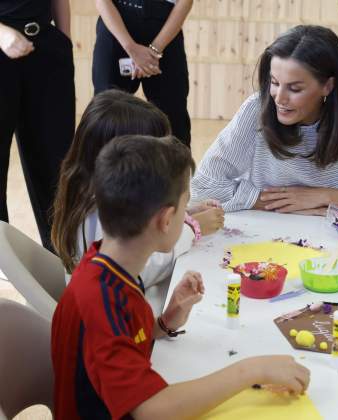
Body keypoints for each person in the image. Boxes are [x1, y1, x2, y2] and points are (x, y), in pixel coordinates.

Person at [51, 134, 310, 419]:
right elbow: (152, 410)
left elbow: (116, 342)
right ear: (165, 220)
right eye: (185, 207)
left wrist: (163, 323)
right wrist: (252, 369)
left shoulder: (108, 262)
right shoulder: (100, 299)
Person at [191, 25, 338, 217]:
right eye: (274, 82)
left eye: (295, 88)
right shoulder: (256, 109)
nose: (279, 98)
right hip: (263, 231)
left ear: (327, 86)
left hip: (331, 239)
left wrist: (323, 196)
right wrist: (271, 202)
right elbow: (203, 185)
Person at [51, 90, 223, 313]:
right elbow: (139, 271)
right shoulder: (96, 214)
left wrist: (183, 212)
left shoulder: (94, 189)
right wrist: (191, 227)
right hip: (121, 312)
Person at [0, 0, 75, 251]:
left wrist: (64, 41)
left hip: (46, 48)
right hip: (2, 42)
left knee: (57, 164)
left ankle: (61, 259)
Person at [92, 0, 192, 146]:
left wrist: (154, 51)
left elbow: (186, 2)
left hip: (165, 26)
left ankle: (174, 168)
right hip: (116, 23)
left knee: (174, 119)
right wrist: (131, 47)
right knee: (106, 116)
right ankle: (102, 168)